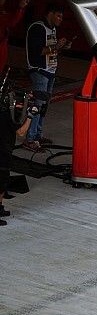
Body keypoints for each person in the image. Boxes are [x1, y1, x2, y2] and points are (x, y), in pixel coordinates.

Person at [24, 3, 68, 151]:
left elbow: (51, 51)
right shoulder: (38, 28)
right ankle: (30, 138)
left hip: (50, 70)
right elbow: (38, 52)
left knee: (44, 106)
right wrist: (56, 47)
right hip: (39, 70)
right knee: (37, 105)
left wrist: (60, 47)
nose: (60, 19)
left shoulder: (53, 28)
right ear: (50, 13)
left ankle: (37, 135)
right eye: (58, 16)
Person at [0, 91, 33, 226]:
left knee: (3, 181)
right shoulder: (8, 116)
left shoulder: (5, 113)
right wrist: (30, 116)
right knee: (0, 181)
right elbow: (21, 132)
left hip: (4, 151)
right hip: (1, 152)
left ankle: (0, 207)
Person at [0, 0, 29, 74]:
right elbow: (11, 21)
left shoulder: (3, 11)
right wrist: (20, 8)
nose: (3, 0)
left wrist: (20, 8)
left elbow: (12, 21)